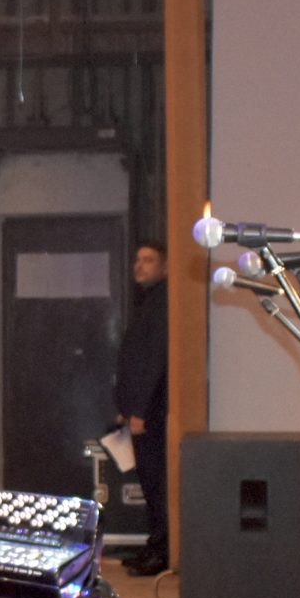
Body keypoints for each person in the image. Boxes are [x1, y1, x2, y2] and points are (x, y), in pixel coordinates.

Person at [115, 240, 171, 576]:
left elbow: (154, 362)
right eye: (137, 259)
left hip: (150, 414)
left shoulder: (163, 302)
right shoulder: (148, 301)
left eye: (148, 260)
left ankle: (162, 550)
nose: (139, 265)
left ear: (164, 267)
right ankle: (154, 544)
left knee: (156, 480)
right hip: (139, 411)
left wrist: (139, 410)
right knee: (149, 482)